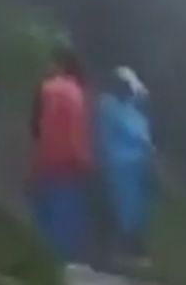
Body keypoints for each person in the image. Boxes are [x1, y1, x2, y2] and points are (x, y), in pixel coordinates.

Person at [28, 43, 95, 262]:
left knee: (45, 209)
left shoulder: (45, 89)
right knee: (69, 212)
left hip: (48, 158)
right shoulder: (79, 92)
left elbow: (35, 126)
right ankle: (67, 259)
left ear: (59, 64)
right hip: (73, 161)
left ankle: (46, 258)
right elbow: (82, 128)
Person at [98, 65, 154, 263]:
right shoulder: (110, 106)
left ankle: (133, 244)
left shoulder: (125, 104)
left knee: (137, 205)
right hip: (121, 162)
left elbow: (141, 94)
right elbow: (127, 130)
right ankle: (127, 246)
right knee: (126, 205)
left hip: (134, 161)